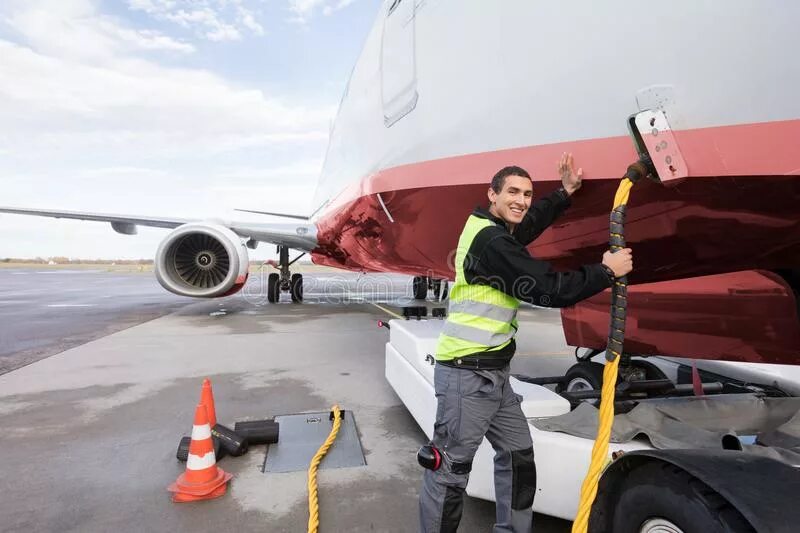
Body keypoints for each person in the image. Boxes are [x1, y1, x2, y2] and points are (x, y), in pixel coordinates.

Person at [418, 153, 633, 533]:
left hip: (495, 378)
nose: (522, 200)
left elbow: (528, 223)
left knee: (518, 457)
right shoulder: (491, 241)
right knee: (449, 469)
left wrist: (564, 194)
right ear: (492, 195)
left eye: (528, 193)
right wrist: (605, 271)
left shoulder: (492, 227)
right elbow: (549, 289)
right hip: (467, 378)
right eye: (513, 192)